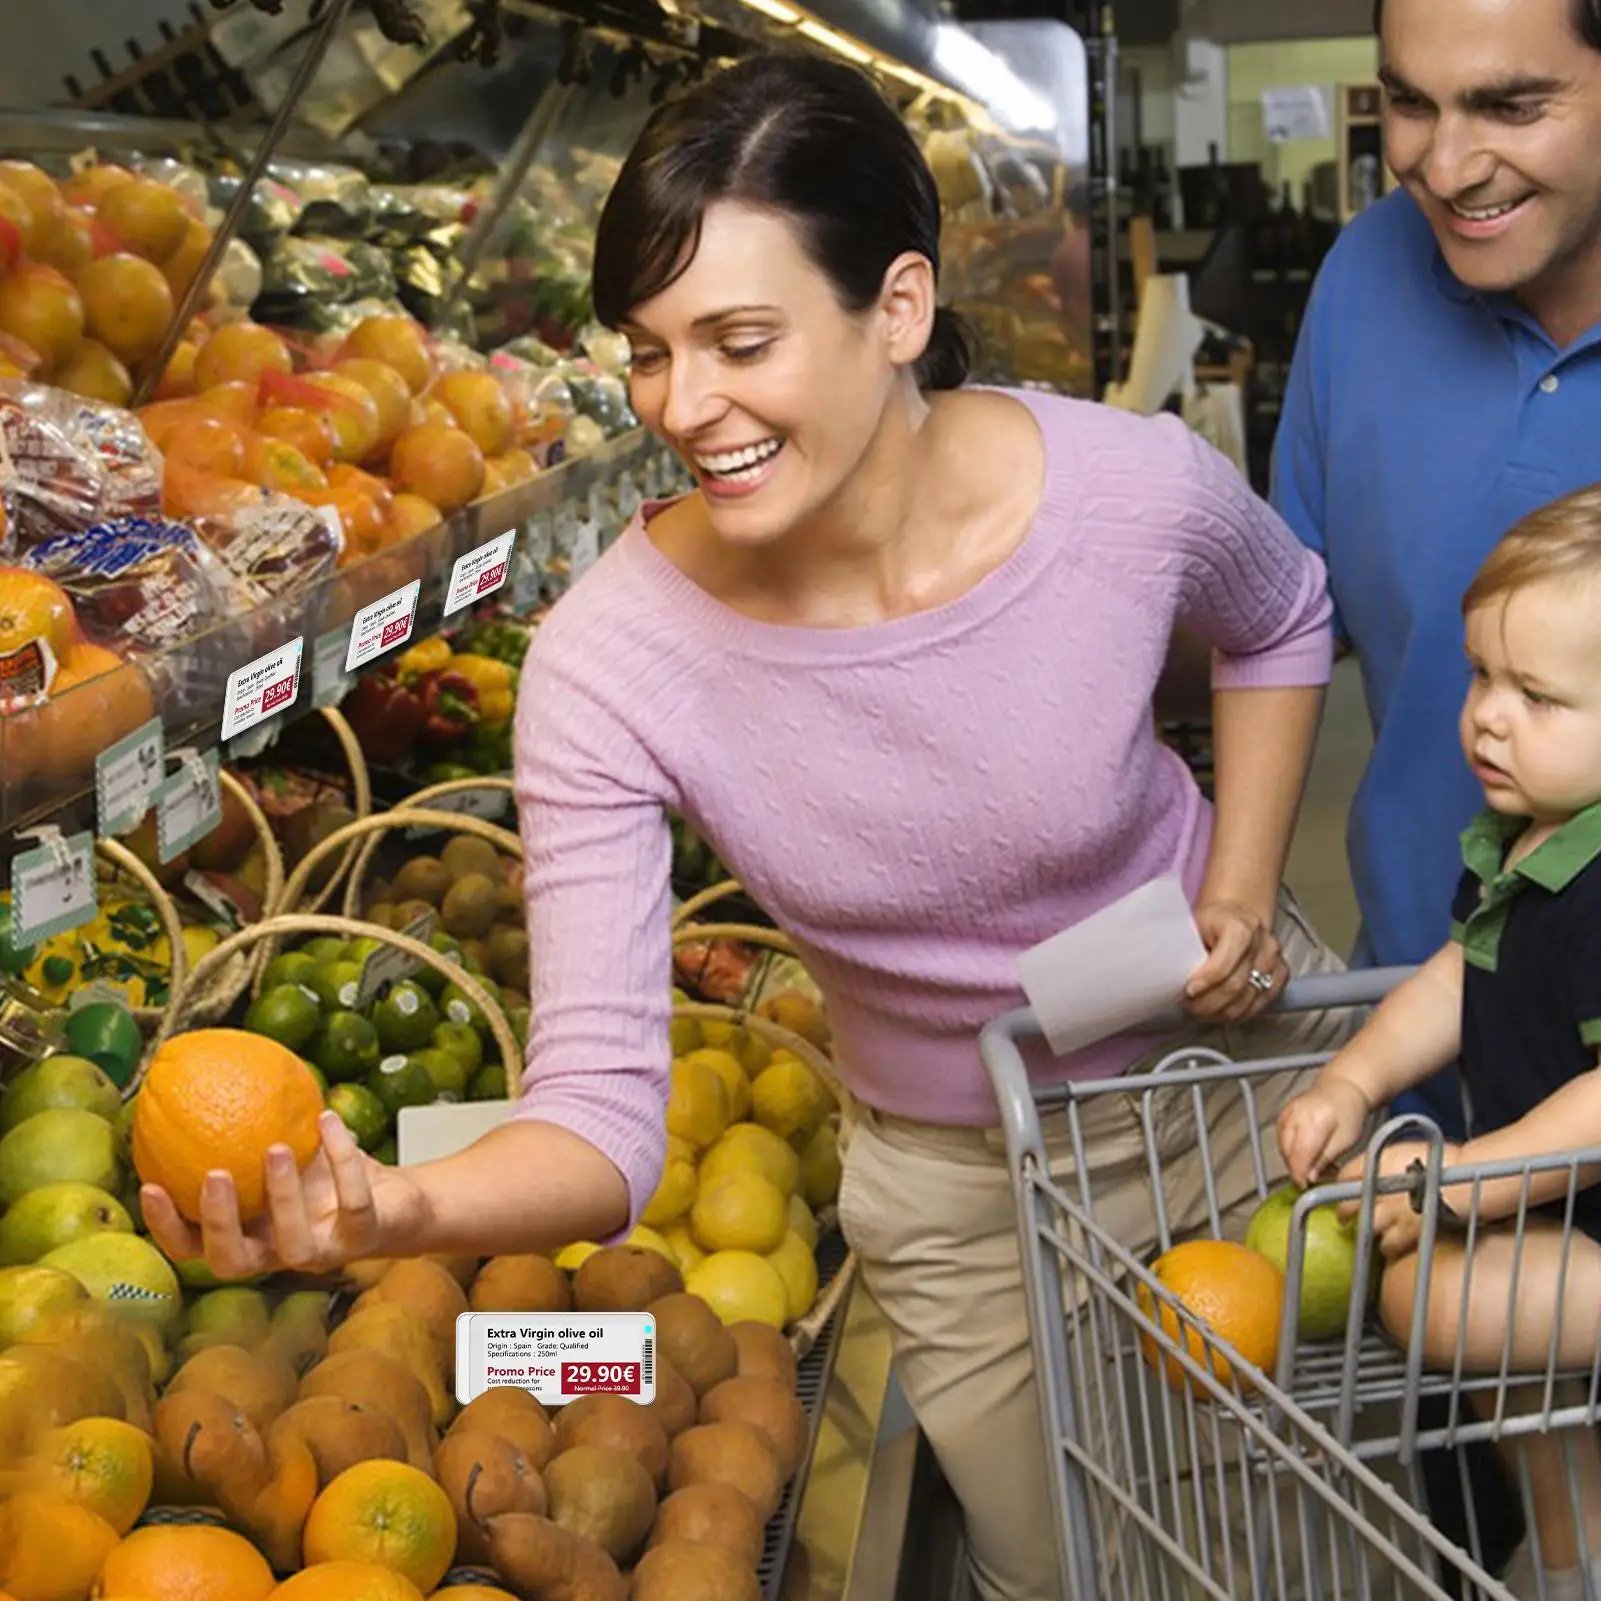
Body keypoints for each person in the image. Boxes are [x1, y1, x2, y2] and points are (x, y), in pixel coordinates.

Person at [143, 55, 1353, 1601]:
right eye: (648, 353)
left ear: (898, 309)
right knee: (1074, 1573)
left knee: (1314, 1542)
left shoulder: (1126, 494)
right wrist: (397, 1207)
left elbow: (1282, 615)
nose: (682, 408)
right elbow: (601, 1108)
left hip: (1232, 1090)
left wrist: (1243, 881)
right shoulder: (608, 660)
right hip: (962, 1187)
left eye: (740, 340)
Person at [1272, 0, 1601, 1576]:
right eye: (1409, 105)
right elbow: (1283, 611)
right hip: (1452, 1069)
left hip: (1521, 1162)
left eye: (1511, 107)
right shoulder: (1360, 282)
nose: (1445, 163)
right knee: (1489, 1503)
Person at [1278, 486, 1601, 1601]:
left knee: (1433, 1300)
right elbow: (1460, 975)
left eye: (1538, 695)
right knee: (1485, 1347)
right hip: (1562, 1221)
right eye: (1479, 674)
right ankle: (1568, 1554)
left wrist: (1463, 1174)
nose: (1486, 716)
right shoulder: (1523, 839)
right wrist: (1350, 1076)